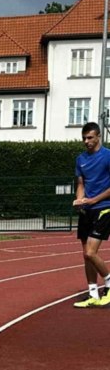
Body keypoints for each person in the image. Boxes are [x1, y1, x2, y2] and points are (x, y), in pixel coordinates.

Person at [73, 121, 110, 307]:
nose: (86, 141)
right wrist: (80, 200)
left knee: (91, 252)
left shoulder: (108, 156)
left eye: (90, 138)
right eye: (84, 138)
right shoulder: (80, 159)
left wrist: (94, 200)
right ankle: (93, 294)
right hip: (86, 210)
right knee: (85, 255)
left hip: (104, 208)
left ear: (98, 137)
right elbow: (81, 184)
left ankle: (109, 283)